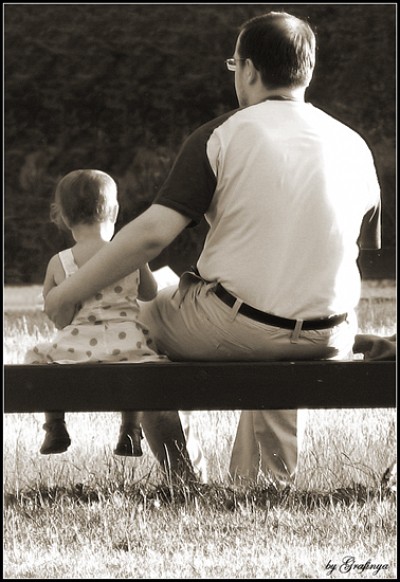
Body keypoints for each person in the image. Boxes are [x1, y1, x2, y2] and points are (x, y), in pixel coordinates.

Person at [45, 12, 382, 486]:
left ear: (249, 70)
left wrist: (67, 292)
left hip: (238, 326)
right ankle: (260, 482)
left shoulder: (223, 134)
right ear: (307, 71)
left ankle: (185, 481)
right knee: (277, 329)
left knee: (138, 320)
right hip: (329, 334)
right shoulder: (355, 145)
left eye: (234, 65)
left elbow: (152, 234)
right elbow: (342, 247)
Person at [25, 169, 167, 457]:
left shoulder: (60, 262)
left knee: (37, 358)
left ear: (63, 217)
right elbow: (150, 292)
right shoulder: (130, 253)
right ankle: (130, 429)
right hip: (127, 346)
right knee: (142, 361)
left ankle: (55, 425)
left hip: (77, 349)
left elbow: (59, 317)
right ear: (114, 212)